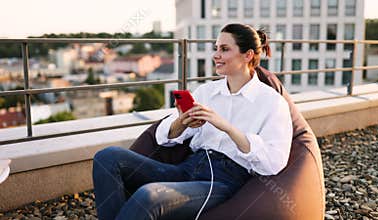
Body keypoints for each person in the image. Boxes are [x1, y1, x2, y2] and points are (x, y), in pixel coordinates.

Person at [92, 23, 293, 220]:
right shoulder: (207, 92)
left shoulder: (272, 102)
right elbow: (163, 138)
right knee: (107, 157)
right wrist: (182, 122)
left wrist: (225, 126)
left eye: (224, 49)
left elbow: (273, 162)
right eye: (216, 49)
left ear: (248, 55)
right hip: (188, 167)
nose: (216, 55)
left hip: (222, 180)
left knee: (149, 196)